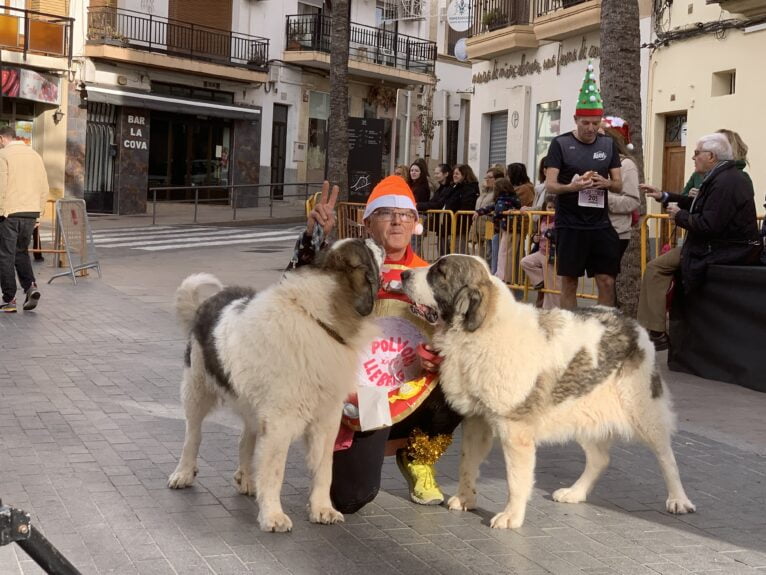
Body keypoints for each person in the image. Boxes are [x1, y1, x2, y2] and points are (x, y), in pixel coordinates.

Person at [289, 177, 462, 513]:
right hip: (360, 395)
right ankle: (349, 448)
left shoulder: (432, 276)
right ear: (366, 222)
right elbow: (294, 290)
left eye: (405, 214)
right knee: (350, 498)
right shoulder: (347, 262)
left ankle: (419, 455)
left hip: (415, 389)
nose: (397, 221)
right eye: (385, 213)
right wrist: (314, 238)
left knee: (464, 374)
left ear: (416, 223)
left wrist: (441, 354)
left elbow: (458, 334)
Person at [638, 132, 761, 350]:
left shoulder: (725, 181)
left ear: (711, 156)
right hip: (717, 245)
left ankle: (655, 333)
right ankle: (654, 330)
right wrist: (664, 196)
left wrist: (679, 216)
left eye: (696, 153)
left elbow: (709, 224)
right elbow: (697, 205)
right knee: (657, 267)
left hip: (721, 249)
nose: (693, 157)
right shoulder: (722, 177)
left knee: (656, 268)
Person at [544, 61, 623, 309]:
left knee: (607, 280)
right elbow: (551, 186)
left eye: (595, 123)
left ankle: (605, 329)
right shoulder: (560, 144)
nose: (591, 128)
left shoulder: (608, 145)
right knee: (569, 281)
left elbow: (619, 185)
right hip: (570, 224)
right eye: (585, 123)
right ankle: (570, 330)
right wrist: (573, 187)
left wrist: (605, 183)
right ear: (575, 119)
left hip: (600, 223)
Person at [0, 126, 48, 313]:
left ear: (2, 138)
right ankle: (30, 287)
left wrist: (1, 211)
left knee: (5, 255)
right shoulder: (35, 155)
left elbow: (1, 186)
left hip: (9, 213)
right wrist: (39, 213)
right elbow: (44, 187)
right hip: (31, 213)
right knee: (21, 252)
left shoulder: (3, 155)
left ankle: (9, 299)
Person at [602, 117, 641, 266]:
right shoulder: (593, 162)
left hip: (615, 231)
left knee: (606, 279)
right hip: (593, 229)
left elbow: (632, 201)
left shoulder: (626, 165)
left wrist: (603, 199)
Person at [474, 177, 520, 281]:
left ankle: (503, 277)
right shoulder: (512, 198)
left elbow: (498, 210)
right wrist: (480, 211)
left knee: (504, 253)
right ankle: (502, 276)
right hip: (508, 228)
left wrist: (494, 217)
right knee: (503, 252)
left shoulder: (503, 200)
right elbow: (492, 207)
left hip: (509, 228)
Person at [521, 195, 560, 309]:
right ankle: (539, 281)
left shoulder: (558, 221)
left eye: (554, 208)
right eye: (549, 207)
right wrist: (535, 238)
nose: (551, 210)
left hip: (551, 254)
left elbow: (558, 235)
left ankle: (550, 309)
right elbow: (536, 233)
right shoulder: (542, 219)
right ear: (545, 208)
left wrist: (549, 234)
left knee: (552, 285)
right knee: (525, 262)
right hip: (541, 252)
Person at [471, 166, 504, 267]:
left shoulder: (497, 192)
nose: (487, 180)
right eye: (486, 177)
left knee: (489, 253)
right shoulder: (484, 192)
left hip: (490, 225)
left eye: (490, 177)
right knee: (480, 253)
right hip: (478, 225)